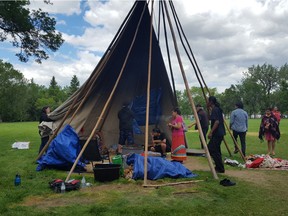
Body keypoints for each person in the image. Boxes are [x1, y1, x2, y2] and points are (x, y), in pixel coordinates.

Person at [207, 96, 226, 173]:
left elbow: (217, 122)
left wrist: (211, 132)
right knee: (216, 150)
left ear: (211, 102)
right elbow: (210, 118)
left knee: (212, 149)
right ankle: (219, 167)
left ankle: (220, 167)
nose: (207, 102)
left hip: (217, 133)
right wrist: (208, 110)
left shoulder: (215, 110)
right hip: (219, 133)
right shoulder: (216, 110)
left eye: (208, 101)